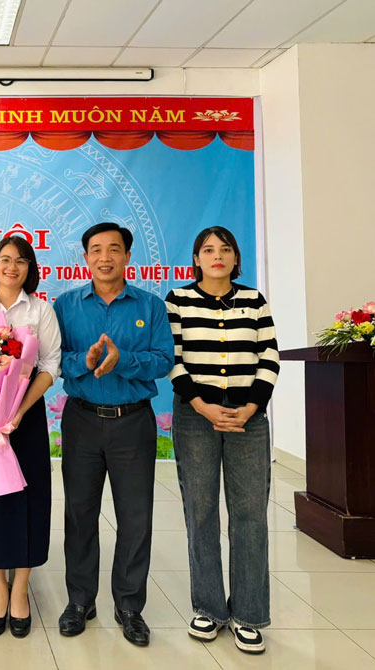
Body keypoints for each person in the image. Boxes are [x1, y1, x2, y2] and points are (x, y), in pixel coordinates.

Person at [53, 222, 173, 647]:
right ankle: (80, 600)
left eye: (114, 249)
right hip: (82, 419)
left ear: (127, 256)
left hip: (132, 422)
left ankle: (128, 606)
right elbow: (53, 360)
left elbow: (163, 361)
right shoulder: (65, 305)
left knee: (135, 518)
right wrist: (81, 362)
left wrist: (123, 361)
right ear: (85, 257)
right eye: (96, 249)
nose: (105, 257)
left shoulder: (151, 306)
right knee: (80, 515)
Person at [165, 226, 279, 655]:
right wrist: (202, 405)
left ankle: (249, 613)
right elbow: (173, 359)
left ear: (235, 259)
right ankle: (209, 608)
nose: (217, 256)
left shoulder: (254, 300)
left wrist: (251, 407)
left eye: (225, 249)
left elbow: (269, 355)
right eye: (208, 250)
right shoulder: (177, 300)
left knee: (250, 514)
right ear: (196, 259)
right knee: (202, 510)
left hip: (249, 416)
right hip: (197, 416)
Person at [0, 235, 61, 639]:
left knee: (28, 501)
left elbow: (51, 363)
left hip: (26, 419)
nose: (11, 267)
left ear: (29, 267)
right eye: (4, 259)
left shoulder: (41, 310)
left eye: (20, 261)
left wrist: (18, 410)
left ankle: (21, 589)